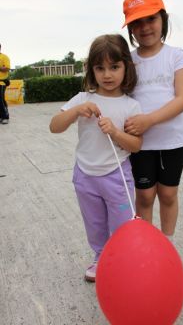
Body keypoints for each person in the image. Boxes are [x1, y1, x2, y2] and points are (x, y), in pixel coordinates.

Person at [50, 34, 142, 282]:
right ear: (91, 70)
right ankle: (101, 256)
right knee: (94, 223)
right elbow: (55, 126)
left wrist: (115, 132)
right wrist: (76, 111)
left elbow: (135, 145)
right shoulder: (83, 99)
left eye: (114, 67)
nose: (107, 75)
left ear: (126, 67)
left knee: (123, 223)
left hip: (117, 177)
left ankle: (123, 258)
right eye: (100, 68)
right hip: (85, 176)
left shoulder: (131, 106)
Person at [122, 0, 183, 242]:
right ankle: (146, 246)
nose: (145, 27)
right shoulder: (127, 61)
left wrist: (149, 120)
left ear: (163, 18)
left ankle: (167, 244)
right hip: (140, 144)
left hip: (172, 142)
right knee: (144, 196)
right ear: (130, 29)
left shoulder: (175, 55)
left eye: (150, 19)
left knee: (168, 195)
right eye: (136, 22)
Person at [0, 43, 11, 124]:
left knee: (0, 100)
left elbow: (6, 68)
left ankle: (5, 117)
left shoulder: (4, 57)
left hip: (1, 82)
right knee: (2, 100)